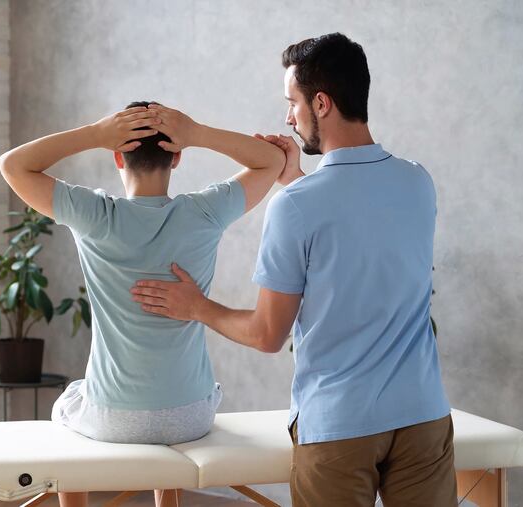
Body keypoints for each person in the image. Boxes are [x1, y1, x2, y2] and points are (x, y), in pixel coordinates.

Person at [131, 34, 457, 506]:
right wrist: (295, 180)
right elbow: (355, 228)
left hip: (340, 427)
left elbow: (267, 334)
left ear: (321, 103)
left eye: (293, 103)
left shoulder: (296, 207)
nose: (289, 117)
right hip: (423, 416)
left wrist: (198, 307)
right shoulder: (416, 181)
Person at [0, 101, 286, 507]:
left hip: (114, 419)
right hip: (191, 416)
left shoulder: (94, 215)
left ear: (117, 155)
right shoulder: (204, 212)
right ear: (177, 157)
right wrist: (198, 130)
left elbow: (13, 165)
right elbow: (272, 161)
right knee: (157, 406)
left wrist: (94, 133)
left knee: (69, 403)